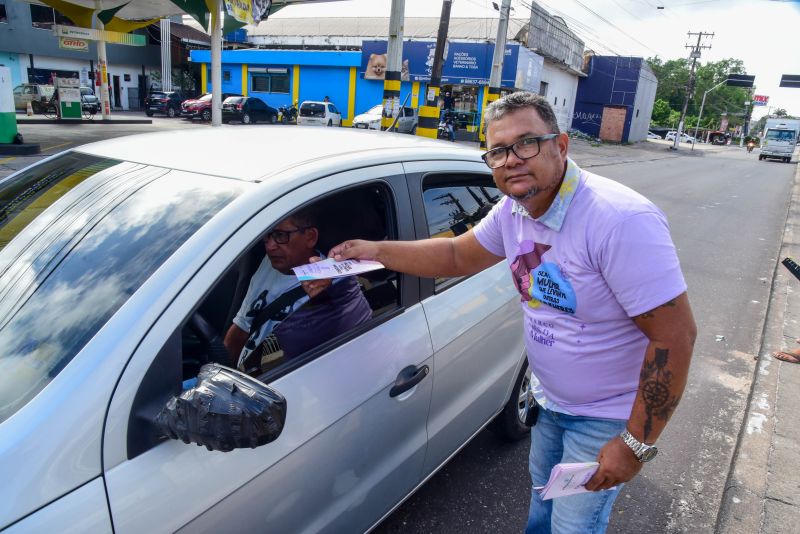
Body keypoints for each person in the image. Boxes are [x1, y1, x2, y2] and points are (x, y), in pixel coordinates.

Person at [330, 91, 697, 533]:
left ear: (560, 145)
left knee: (573, 527)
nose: (511, 160)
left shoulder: (619, 220)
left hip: (604, 416)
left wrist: (635, 444)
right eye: (498, 150)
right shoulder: (514, 211)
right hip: (551, 402)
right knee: (542, 510)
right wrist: (375, 251)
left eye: (526, 143)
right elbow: (454, 256)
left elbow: (674, 337)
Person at [224, 209, 372, 373]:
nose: (270, 246)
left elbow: (343, 296)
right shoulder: (269, 263)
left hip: (347, 369)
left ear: (310, 237)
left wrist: (327, 288)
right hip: (294, 373)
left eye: (281, 235)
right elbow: (244, 323)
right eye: (267, 235)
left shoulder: (335, 273)